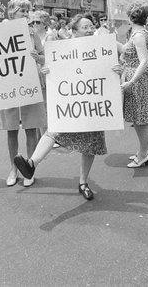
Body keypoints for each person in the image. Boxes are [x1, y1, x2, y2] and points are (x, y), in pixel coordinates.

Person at [14, 15, 123, 200]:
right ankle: (31, 164)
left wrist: (117, 70)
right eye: (85, 27)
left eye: (91, 26)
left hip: (92, 104)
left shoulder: (102, 47)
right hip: (71, 103)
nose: (89, 30)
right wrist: (45, 68)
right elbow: (52, 67)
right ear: (74, 31)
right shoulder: (63, 50)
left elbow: (116, 64)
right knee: (54, 130)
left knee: (90, 143)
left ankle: (83, 182)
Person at [0, 0, 46, 187]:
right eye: (23, 11)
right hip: (8, 84)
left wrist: (38, 57)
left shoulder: (32, 32)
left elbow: (44, 57)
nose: (27, 15)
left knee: (31, 127)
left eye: (28, 11)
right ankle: (13, 168)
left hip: (30, 83)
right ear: (12, 12)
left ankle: (29, 167)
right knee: (11, 128)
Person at [122, 4, 148, 168]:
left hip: (136, 80)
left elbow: (144, 61)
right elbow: (127, 50)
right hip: (135, 78)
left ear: (130, 17)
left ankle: (143, 153)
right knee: (138, 119)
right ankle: (144, 150)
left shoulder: (138, 35)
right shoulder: (140, 33)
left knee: (141, 119)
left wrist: (131, 81)